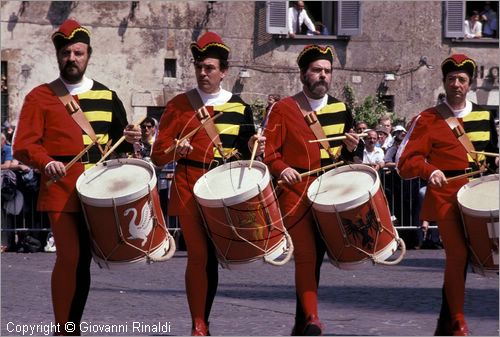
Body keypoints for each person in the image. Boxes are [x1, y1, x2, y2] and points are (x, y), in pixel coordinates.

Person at [12, 19, 141, 335]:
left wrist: (136, 136)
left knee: (83, 260)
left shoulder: (109, 97)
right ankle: (62, 328)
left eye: (78, 52)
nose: (72, 58)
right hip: (62, 188)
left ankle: (72, 327)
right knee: (69, 257)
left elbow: (122, 145)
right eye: (66, 52)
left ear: (88, 55)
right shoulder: (39, 97)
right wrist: (46, 162)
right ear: (58, 56)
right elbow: (24, 145)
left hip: (98, 191)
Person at [150, 31, 265, 336]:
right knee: (199, 254)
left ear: (223, 71)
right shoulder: (177, 105)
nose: (203, 72)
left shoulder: (240, 108)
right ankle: (198, 324)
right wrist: (176, 148)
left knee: (213, 257)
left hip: (222, 189)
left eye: (210, 68)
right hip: (189, 185)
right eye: (200, 66)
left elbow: (245, 155)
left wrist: (256, 145)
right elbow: (158, 156)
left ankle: (205, 318)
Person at [396, 54, 498, 336]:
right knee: (458, 254)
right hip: (446, 198)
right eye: (451, 79)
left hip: (478, 197)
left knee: (479, 257)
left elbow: (491, 158)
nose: (456, 84)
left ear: (470, 85)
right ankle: (457, 321)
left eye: (462, 80)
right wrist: (429, 170)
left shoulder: (484, 116)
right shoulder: (427, 119)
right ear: (444, 82)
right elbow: (405, 161)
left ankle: (444, 322)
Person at [263, 45, 360, 336]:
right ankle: (313, 319)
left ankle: (301, 321)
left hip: (330, 195)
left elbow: (349, 159)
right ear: (304, 74)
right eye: (317, 70)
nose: (323, 76)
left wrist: (352, 149)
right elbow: (269, 154)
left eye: (327, 71)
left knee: (318, 255)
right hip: (296, 196)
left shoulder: (341, 109)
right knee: (306, 254)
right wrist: (282, 169)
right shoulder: (282, 109)